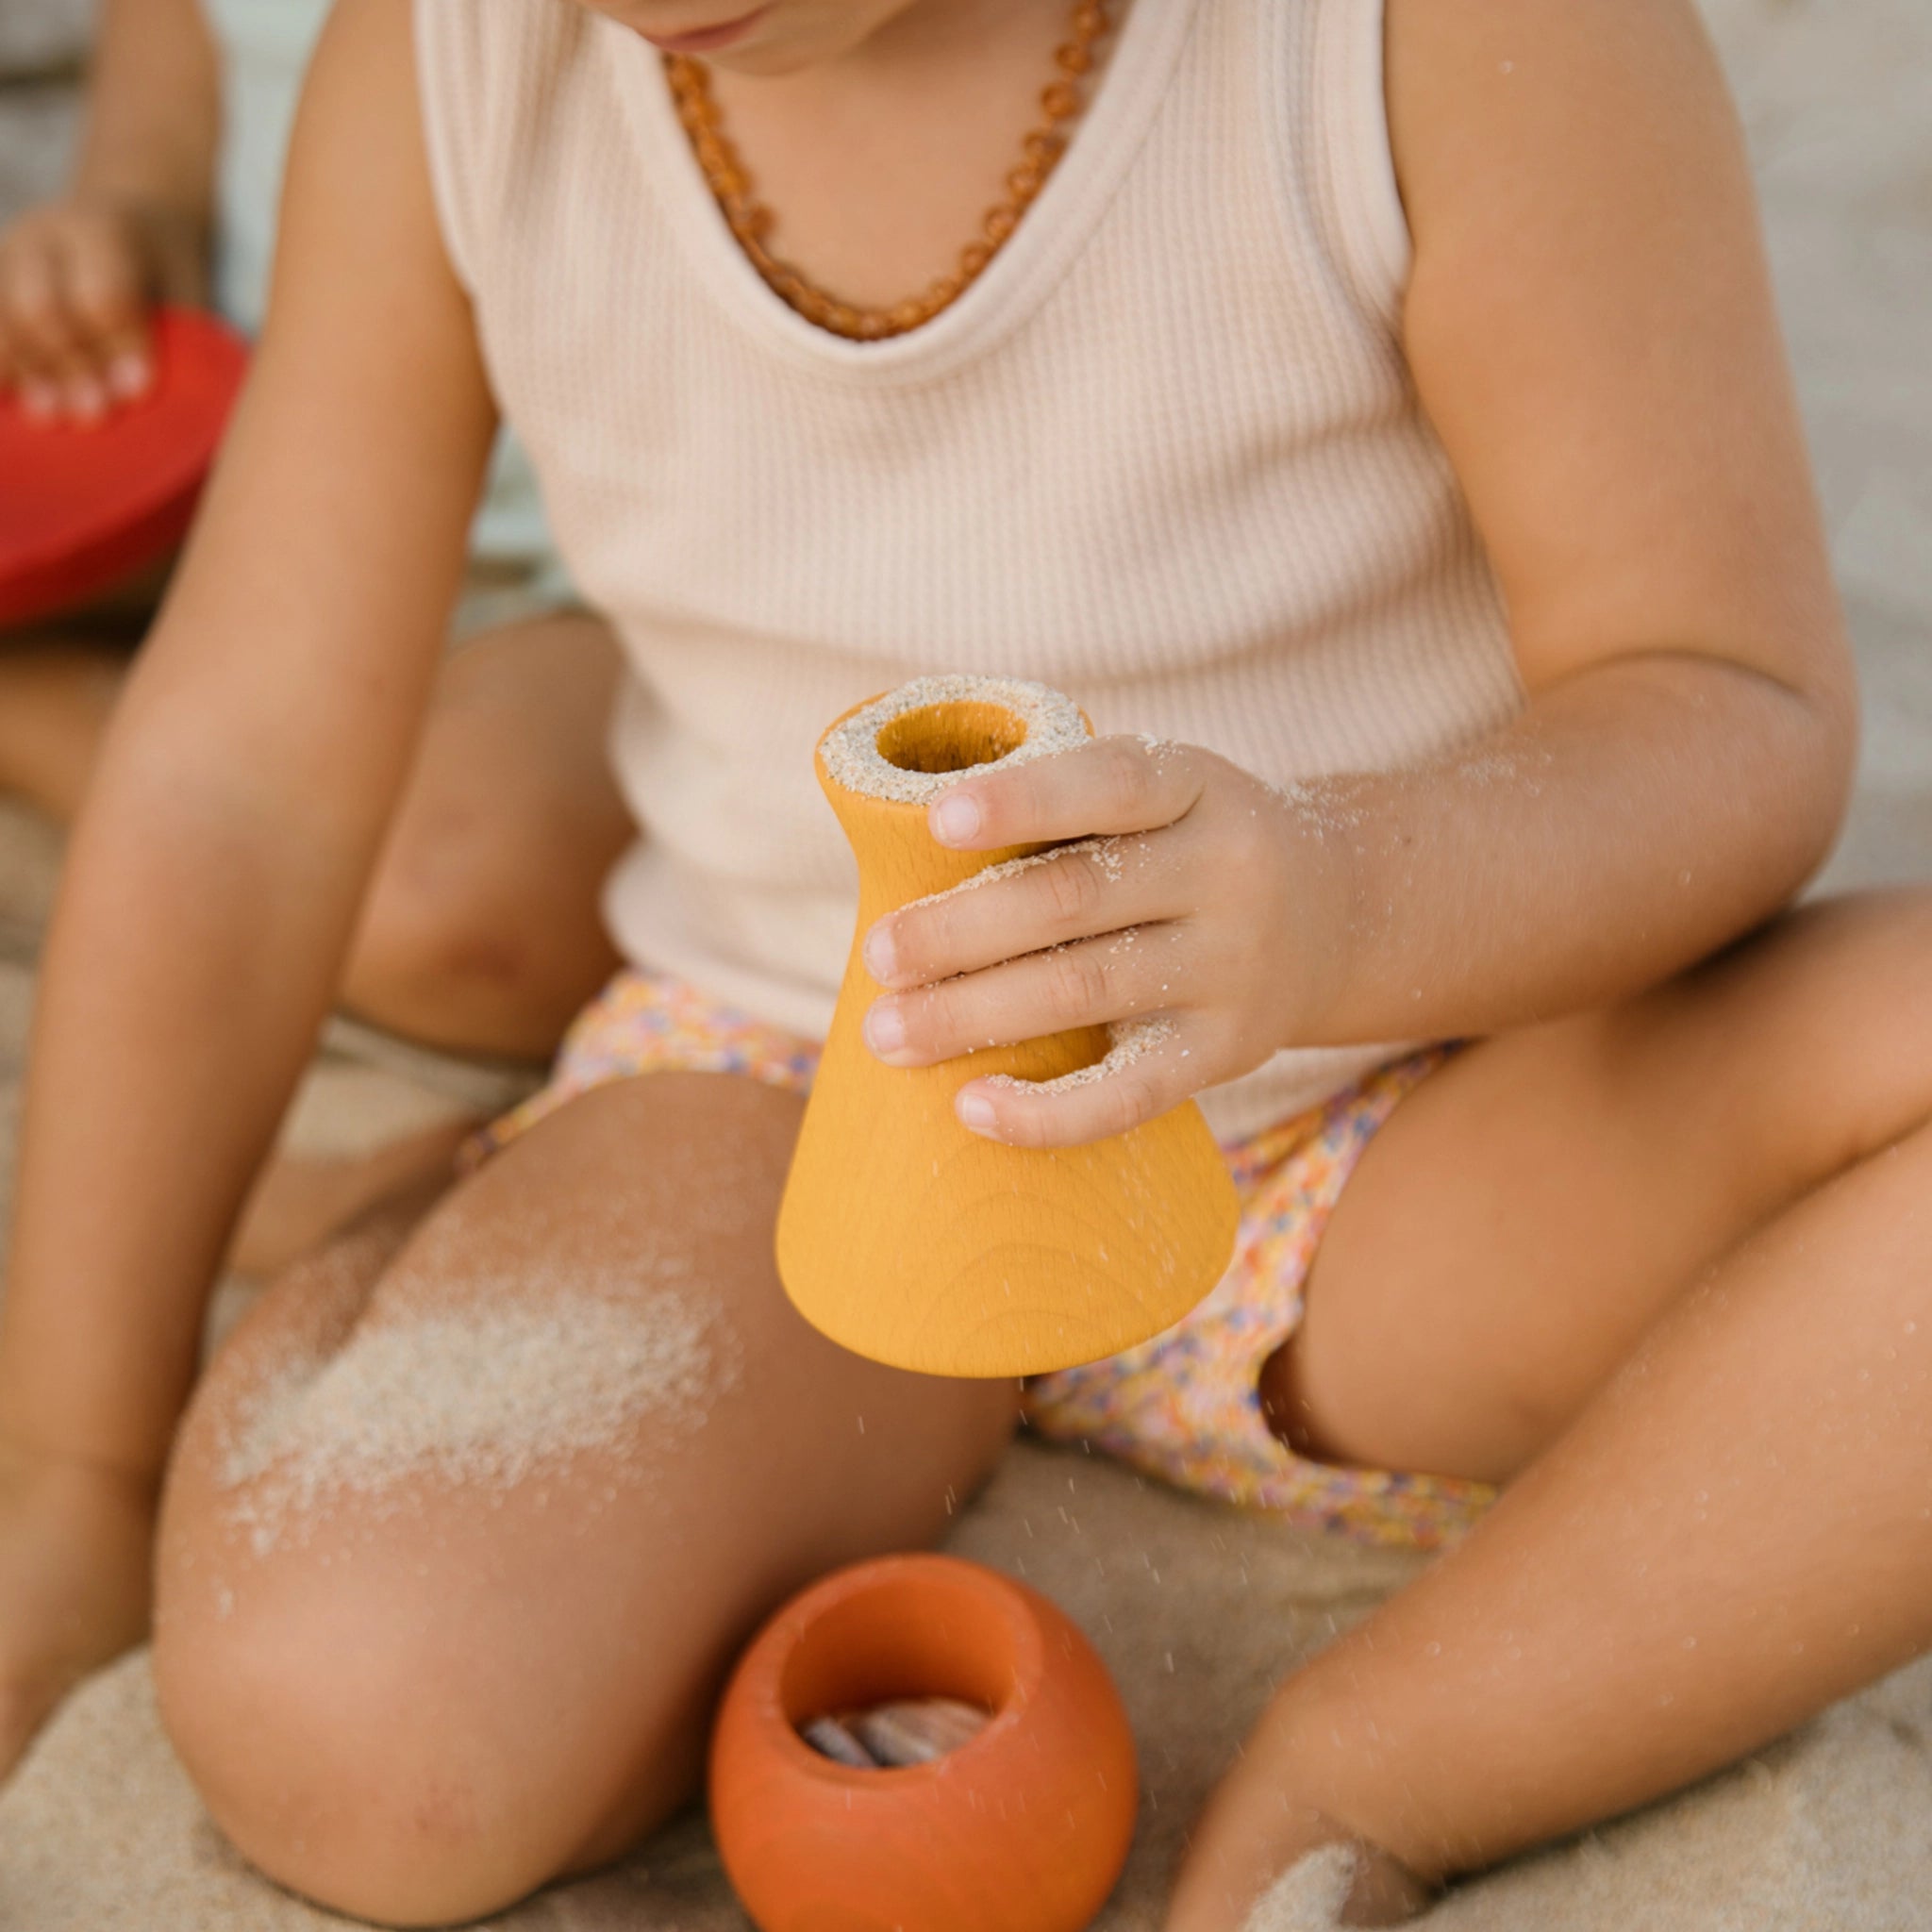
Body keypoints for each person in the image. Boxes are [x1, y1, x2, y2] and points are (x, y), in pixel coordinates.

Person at [1, 0, 1927, 1927]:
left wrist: (1338, 902)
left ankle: (1386, 1755)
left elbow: (1724, 702)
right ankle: (445, 1217)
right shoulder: (450, 55)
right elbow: (243, 785)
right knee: (359, 1731)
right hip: (794, 1102)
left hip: (1404, 1118)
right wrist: (80, 1459)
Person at [0, 0, 631, 1067]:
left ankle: (35, 702)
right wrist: (135, 198)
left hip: (598, 568)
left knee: (453, 891)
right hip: (238, 444)